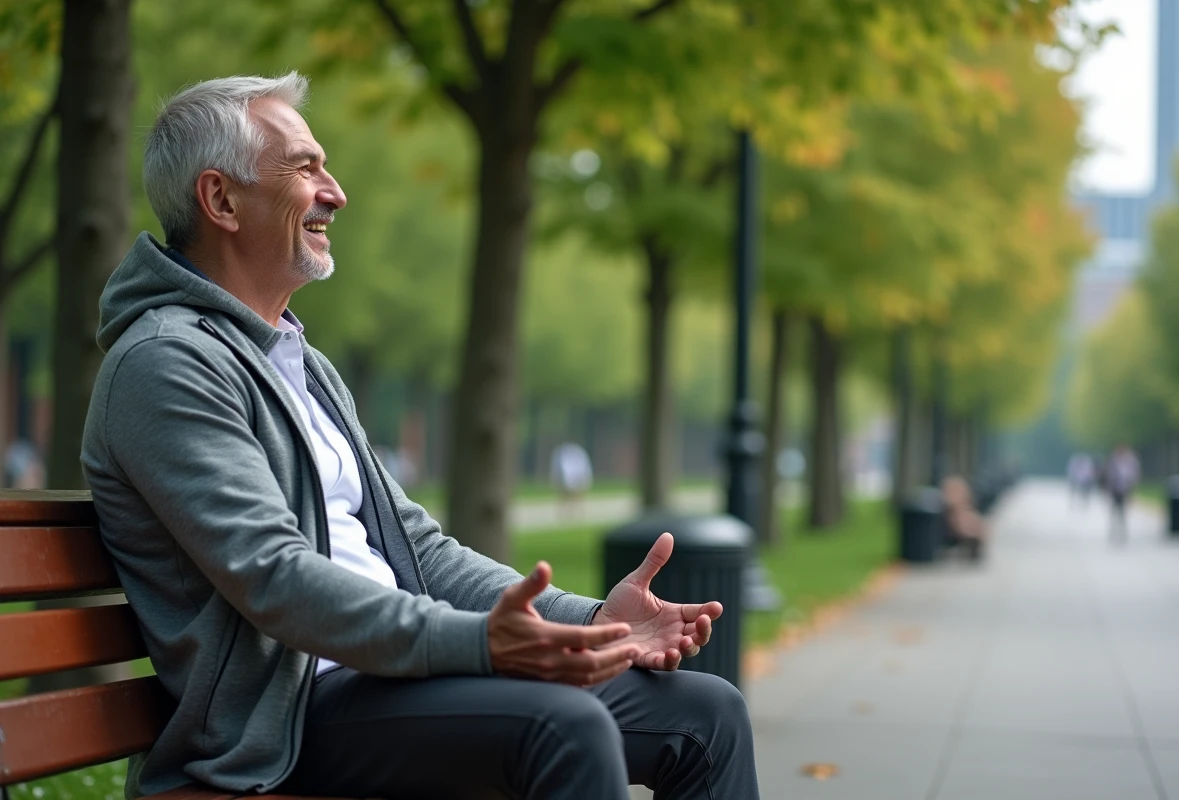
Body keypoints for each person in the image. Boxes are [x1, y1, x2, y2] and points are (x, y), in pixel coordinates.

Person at [80, 74, 757, 800]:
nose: (334, 192)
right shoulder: (165, 363)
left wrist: (594, 623)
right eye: (305, 168)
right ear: (220, 201)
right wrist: (477, 646)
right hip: (285, 720)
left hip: (393, 679)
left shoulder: (299, 362)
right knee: (562, 724)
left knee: (707, 712)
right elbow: (272, 577)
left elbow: (419, 551)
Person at [1106, 444, 1141, 543]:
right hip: (1115, 489)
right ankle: (1114, 529)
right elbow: (1109, 475)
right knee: (1114, 510)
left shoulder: (1130, 462)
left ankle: (1121, 530)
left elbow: (1134, 475)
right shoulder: (1113, 461)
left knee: (1122, 511)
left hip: (1125, 489)